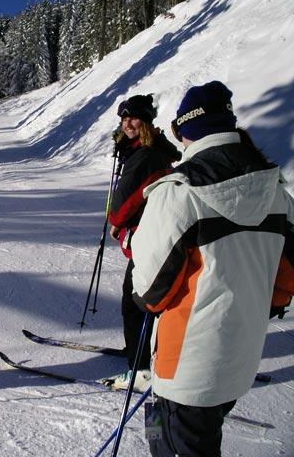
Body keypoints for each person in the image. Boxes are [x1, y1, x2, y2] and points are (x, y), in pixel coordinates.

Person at [131, 81, 294, 456]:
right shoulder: (277, 193)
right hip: (240, 359)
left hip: (185, 366)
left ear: (186, 132)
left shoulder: (179, 193)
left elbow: (150, 292)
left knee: (174, 444)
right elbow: (286, 280)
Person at [103, 94, 181, 392]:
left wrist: (117, 221)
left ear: (146, 121)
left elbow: (123, 205)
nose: (127, 124)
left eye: (133, 118)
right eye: (124, 119)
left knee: (135, 301)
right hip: (156, 233)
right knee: (145, 298)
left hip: (149, 238)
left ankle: (142, 368)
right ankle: (146, 355)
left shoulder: (145, 156)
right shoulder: (150, 151)